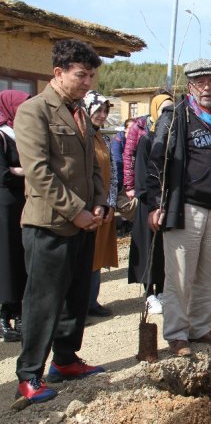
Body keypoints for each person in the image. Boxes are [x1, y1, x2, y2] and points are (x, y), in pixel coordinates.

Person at [13, 39, 108, 405]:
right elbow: (38, 172)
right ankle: (28, 376)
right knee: (43, 302)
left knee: (76, 298)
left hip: (85, 222)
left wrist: (99, 203)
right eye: (81, 75)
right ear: (59, 73)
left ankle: (65, 361)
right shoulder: (34, 111)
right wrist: (76, 211)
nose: (88, 83)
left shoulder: (80, 111)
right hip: (50, 225)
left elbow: (92, 165)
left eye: (91, 76)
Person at [146, 59, 211, 357]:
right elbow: (154, 161)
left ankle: (200, 328)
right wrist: (154, 204)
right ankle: (177, 335)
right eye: (201, 82)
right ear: (190, 86)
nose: (207, 87)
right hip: (185, 207)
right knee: (179, 276)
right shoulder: (175, 116)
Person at [128, 92, 173, 315]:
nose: (168, 115)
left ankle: (164, 289)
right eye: (164, 110)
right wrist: (153, 202)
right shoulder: (147, 139)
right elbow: (142, 175)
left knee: (165, 250)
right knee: (149, 249)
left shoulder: (173, 139)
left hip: (169, 203)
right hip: (150, 204)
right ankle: (149, 293)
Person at [83, 90, 118, 317]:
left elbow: (113, 174)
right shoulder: (79, 136)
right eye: (98, 110)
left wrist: (111, 203)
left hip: (103, 206)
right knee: (83, 256)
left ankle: (91, 302)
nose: (102, 115)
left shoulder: (104, 139)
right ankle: (76, 307)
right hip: (84, 208)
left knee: (97, 254)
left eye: (105, 110)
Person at [0, 89, 30, 343]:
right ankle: (5, 315)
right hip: (4, 207)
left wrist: (17, 169)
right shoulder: (1, 135)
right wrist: (24, 170)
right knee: (6, 260)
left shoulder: (19, 134)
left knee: (20, 259)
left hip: (21, 203)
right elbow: (2, 173)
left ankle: (19, 312)